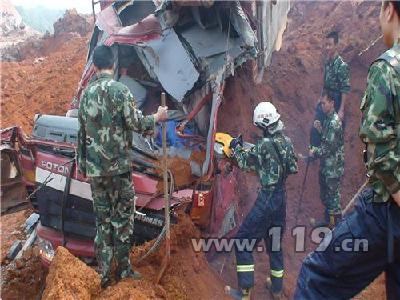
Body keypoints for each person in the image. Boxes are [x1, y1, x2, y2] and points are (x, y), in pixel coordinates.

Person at [295, 1, 400, 299]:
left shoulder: (389, 67)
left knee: (316, 278)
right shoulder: (329, 67)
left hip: (387, 209)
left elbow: (378, 145)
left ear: (388, 9)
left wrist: (337, 114)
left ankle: (331, 219)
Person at [77, 45, 168, 288]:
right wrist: (157, 117)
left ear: (95, 67)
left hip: (97, 172)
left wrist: (81, 165)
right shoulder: (121, 91)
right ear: (113, 65)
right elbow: (138, 123)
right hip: (118, 170)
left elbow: (81, 133)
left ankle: (106, 275)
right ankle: (124, 269)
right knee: (123, 220)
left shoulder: (86, 95)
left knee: (102, 221)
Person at [225, 102, 298, 300]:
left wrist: (235, 147)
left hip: (267, 199)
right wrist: (269, 167)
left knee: (242, 242)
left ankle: (244, 293)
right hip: (281, 199)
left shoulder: (264, 145)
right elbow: (293, 167)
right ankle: (276, 289)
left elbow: (242, 162)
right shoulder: (288, 142)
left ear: (265, 124)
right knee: (274, 244)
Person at [309, 90, 344, 228]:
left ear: (332, 103)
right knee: (327, 197)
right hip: (327, 166)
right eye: (321, 103)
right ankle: (328, 223)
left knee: (333, 200)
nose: (322, 106)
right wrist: (319, 130)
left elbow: (327, 149)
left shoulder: (334, 123)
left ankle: (336, 230)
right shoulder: (328, 120)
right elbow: (326, 138)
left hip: (333, 168)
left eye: (324, 103)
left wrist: (314, 152)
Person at [310, 30, 350, 148]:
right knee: (317, 123)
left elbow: (345, 88)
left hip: (336, 100)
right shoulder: (327, 62)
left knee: (333, 128)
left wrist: (341, 109)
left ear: (336, 45)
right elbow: (325, 83)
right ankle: (314, 151)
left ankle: (330, 155)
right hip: (326, 98)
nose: (327, 48)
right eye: (326, 45)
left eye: (330, 45)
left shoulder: (342, 66)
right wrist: (321, 98)